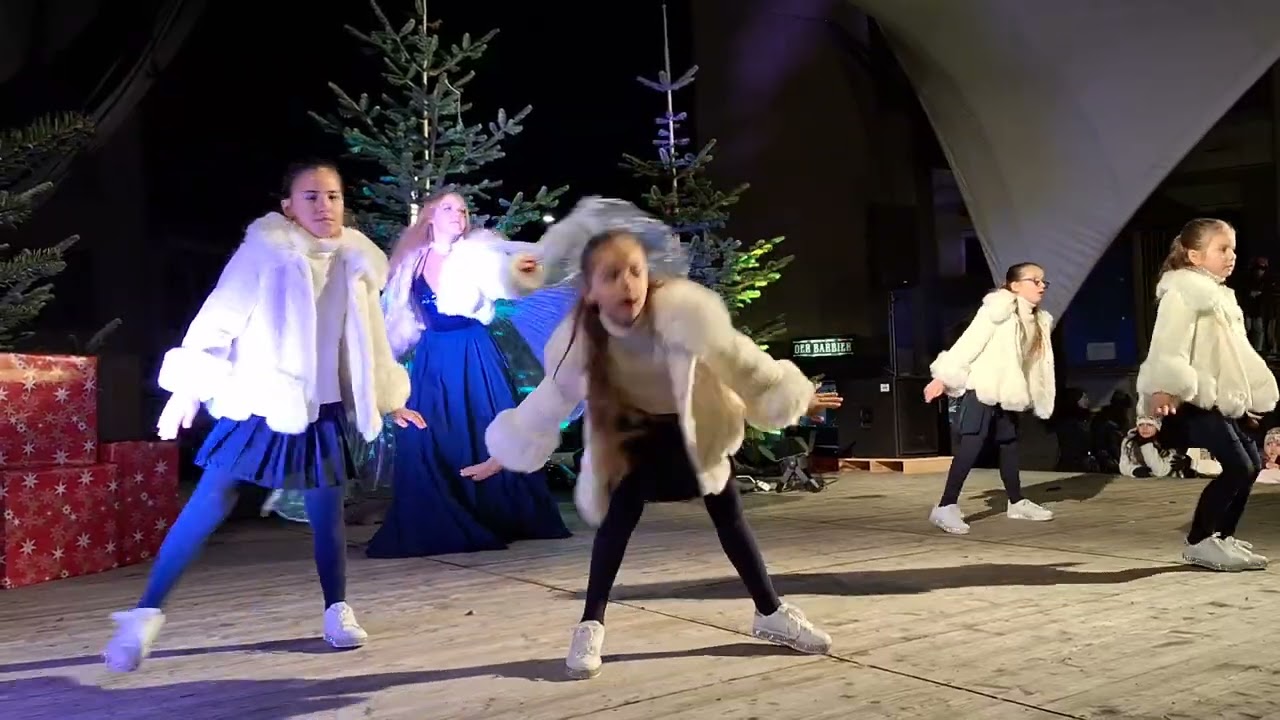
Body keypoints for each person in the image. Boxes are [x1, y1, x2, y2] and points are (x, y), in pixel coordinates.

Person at [473, 205, 842, 680]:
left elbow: (744, 362)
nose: (628, 284)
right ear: (590, 289)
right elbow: (551, 399)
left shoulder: (688, 314)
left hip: (692, 428)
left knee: (728, 515)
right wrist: (506, 451)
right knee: (616, 524)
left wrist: (798, 397)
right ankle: (590, 623)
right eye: (612, 275)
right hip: (631, 437)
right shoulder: (581, 340)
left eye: (635, 271)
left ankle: (769, 613)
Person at [103, 161, 425, 672]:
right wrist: (187, 390)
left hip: (321, 410)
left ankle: (336, 608)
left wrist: (388, 396)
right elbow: (217, 319)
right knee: (210, 501)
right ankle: (145, 614)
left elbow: (368, 341)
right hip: (262, 403)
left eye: (333, 196)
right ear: (288, 207)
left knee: (327, 512)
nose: (325, 206)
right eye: (312, 197)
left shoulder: (355, 261)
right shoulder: (264, 255)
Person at [363, 190, 573, 557]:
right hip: (433, 355)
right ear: (430, 216)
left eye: (462, 209)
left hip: (474, 350)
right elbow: (397, 317)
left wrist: (523, 271)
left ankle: (500, 513)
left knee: (484, 426)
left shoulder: (480, 253)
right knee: (426, 433)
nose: (457, 214)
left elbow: (510, 279)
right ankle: (437, 511)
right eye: (448, 208)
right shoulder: (412, 261)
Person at [1136, 218, 1278, 571]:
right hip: (1192, 399)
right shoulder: (1184, 292)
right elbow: (1168, 345)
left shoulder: (1218, 294)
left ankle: (1222, 537)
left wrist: (1244, 400)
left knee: (1252, 465)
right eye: (1222, 249)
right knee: (1239, 466)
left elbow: (1231, 356)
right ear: (1195, 255)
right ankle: (1199, 540)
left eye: (1233, 248)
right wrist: (1165, 389)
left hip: (1217, 397)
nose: (1231, 256)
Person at [923, 263, 1057, 534]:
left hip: (1008, 394)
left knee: (1008, 443)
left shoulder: (1037, 319)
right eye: (1035, 280)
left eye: (1044, 282)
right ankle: (945, 506)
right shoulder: (996, 310)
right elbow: (969, 343)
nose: (1042, 286)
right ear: (1015, 285)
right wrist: (942, 377)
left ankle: (1017, 502)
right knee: (971, 444)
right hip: (983, 387)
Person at [1119, 416, 1185, 478]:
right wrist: (1133, 470)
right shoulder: (1130, 441)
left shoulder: (1167, 442)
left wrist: (1146, 446)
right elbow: (1123, 465)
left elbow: (1160, 471)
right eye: (1141, 424)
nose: (1144, 428)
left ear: (1157, 427)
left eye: (1150, 425)